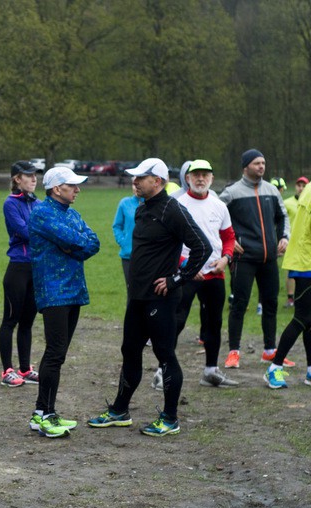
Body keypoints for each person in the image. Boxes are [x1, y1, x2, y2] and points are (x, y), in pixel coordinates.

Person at [88, 158, 210, 437]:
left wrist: (176, 278)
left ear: (157, 181)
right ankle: (120, 410)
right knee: (130, 350)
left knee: (164, 354)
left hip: (161, 299)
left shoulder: (172, 209)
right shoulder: (142, 208)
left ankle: (170, 418)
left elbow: (201, 246)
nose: (134, 181)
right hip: (138, 297)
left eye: (140, 177)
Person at [28, 167, 99, 438]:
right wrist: (73, 244)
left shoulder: (73, 214)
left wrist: (72, 246)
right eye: (72, 185)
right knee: (55, 353)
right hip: (53, 292)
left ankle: (40, 413)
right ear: (57, 189)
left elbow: (93, 243)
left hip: (74, 291)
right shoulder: (42, 213)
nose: (77, 189)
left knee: (58, 354)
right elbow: (73, 239)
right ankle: (47, 415)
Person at [220, 149, 291, 369]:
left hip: (269, 258)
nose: (261, 166)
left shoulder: (271, 190)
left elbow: (283, 216)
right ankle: (234, 352)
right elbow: (215, 217)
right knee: (239, 304)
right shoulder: (232, 192)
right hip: (244, 258)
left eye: (263, 163)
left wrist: (284, 237)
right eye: (256, 163)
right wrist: (228, 241)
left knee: (270, 304)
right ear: (246, 166)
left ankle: (270, 351)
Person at [170, 159, 239, 388]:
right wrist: (186, 265)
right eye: (196, 175)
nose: (200, 179)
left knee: (213, 322)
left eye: (205, 175)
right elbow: (168, 241)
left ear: (211, 178)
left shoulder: (219, 205)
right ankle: (163, 369)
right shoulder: (177, 204)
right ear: (187, 178)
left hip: (214, 272)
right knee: (177, 320)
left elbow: (228, 237)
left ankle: (210, 371)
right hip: (187, 274)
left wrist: (226, 258)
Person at [264, 177, 311, 389]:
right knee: (302, 318)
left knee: (309, 319)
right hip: (306, 262)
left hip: (304, 259)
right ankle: (274, 367)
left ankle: (310, 370)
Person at [0, 161, 42, 388]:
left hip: (36, 268)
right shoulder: (10, 203)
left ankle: (25, 368)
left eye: (35, 175)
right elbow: (25, 232)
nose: (34, 179)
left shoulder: (38, 203)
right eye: (29, 175)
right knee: (10, 321)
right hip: (18, 269)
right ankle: (7, 370)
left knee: (27, 322)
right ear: (17, 178)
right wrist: (46, 232)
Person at [282, 176, 307, 307]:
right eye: (299, 185)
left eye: (304, 186)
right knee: (291, 269)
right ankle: (291, 298)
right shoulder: (287, 203)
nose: (301, 188)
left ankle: (303, 298)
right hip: (291, 242)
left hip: (306, 243)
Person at [112, 183, 143, 289]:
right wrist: (123, 242)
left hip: (148, 256)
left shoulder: (152, 203)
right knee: (132, 290)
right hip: (129, 255)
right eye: (134, 184)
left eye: (140, 183)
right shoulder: (125, 203)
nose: (136, 187)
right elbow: (117, 226)